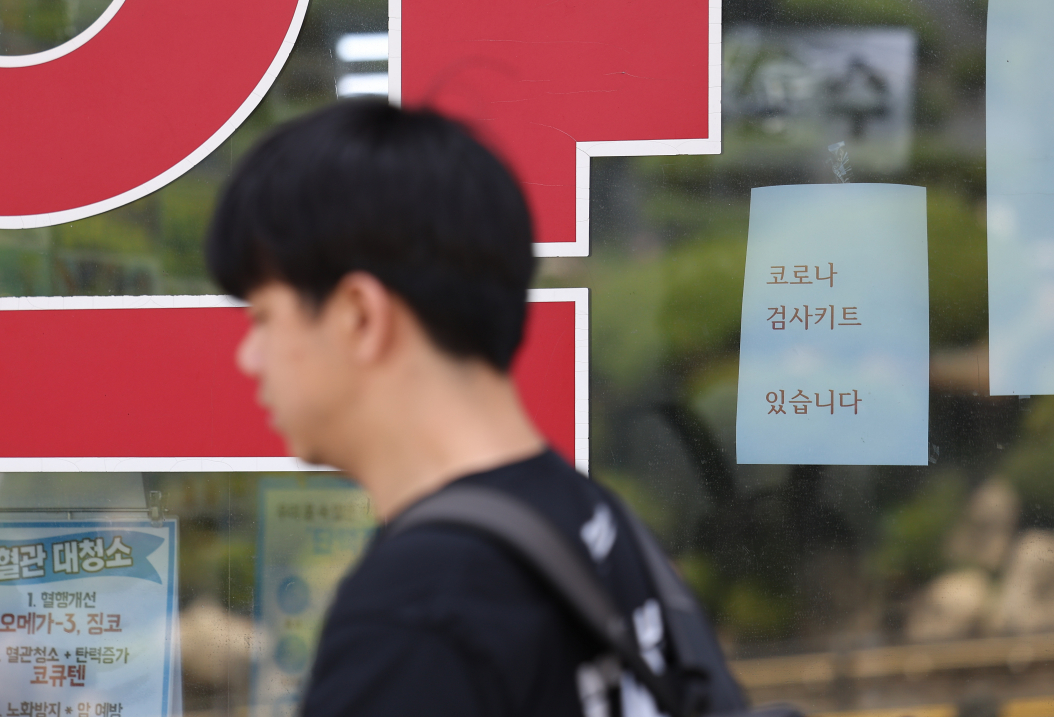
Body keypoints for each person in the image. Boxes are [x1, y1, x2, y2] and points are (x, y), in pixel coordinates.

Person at [205, 99, 743, 717]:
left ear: (359, 317)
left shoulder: (416, 613)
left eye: (263, 318)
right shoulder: (599, 525)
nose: (250, 357)